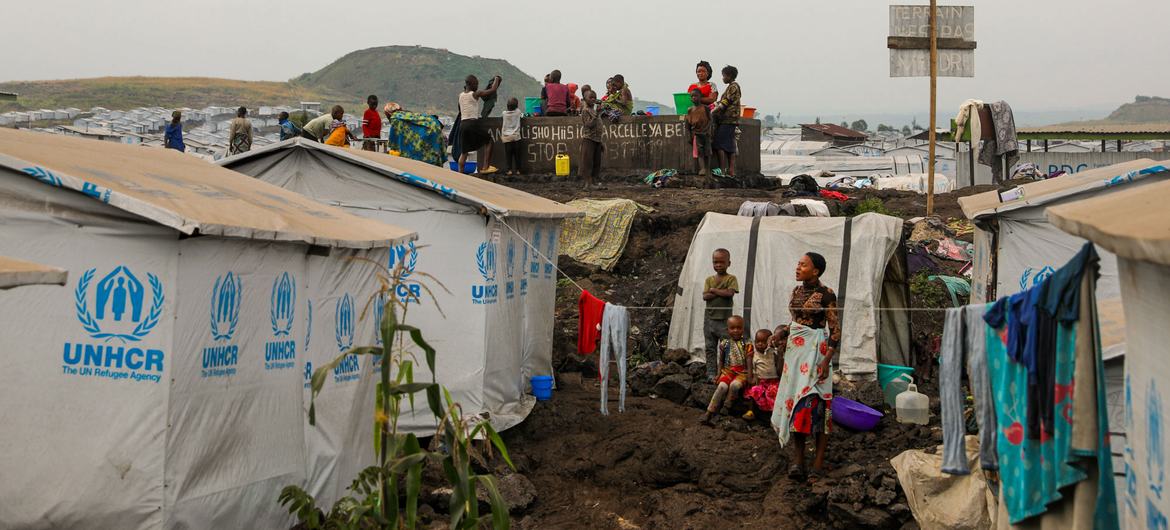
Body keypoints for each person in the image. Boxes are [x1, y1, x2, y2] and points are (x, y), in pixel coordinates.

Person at [770, 252, 840, 482]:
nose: (798, 267)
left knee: (817, 406)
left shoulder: (827, 294)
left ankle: (818, 465)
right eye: (798, 263)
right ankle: (799, 461)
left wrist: (826, 360)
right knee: (795, 404)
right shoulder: (797, 292)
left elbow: (835, 331)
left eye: (803, 265)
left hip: (816, 355)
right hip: (796, 355)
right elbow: (796, 323)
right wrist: (781, 332)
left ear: (816, 271)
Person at [699, 315, 750, 425]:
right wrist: (718, 374)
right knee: (722, 386)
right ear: (728, 330)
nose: (736, 330)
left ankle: (727, 404)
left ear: (743, 329)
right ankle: (709, 411)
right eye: (732, 328)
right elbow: (721, 360)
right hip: (728, 371)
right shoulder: (724, 344)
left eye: (739, 328)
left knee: (735, 385)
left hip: (742, 373)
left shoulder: (747, 344)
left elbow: (749, 362)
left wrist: (750, 376)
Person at [702, 248, 739, 381]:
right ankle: (711, 374)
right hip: (709, 318)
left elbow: (730, 293)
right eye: (715, 262)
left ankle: (726, 373)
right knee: (710, 347)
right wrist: (719, 291)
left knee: (726, 348)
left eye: (721, 262)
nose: (718, 265)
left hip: (725, 321)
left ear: (729, 263)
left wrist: (714, 291)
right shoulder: (709, 280)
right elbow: (705, 296)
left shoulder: (731, 278)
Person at [457, 74, 501, 175]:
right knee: (489, 140)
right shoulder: (475, 93)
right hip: (472, 123)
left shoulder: (460, 95)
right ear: (471, 84)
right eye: (476, 84)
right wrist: (497, 79)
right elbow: (493, 90)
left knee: (464, 152)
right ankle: (485, 167)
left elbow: (460, 110)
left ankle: (460, 173)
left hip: (463, 124)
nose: (477, 86)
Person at [711, 65, 742, 178]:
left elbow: (725, 101)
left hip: (728, 119)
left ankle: (722, 169)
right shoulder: (731, 87)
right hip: (731, 120)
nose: (723, 78)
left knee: (719, 144)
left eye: (724, 76)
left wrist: (713, 111)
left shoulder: (733, 87)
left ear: (729, 76)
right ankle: (731, 171)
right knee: (730, 145)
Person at [743, 328, 779, 421]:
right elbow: (752, 369)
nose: (760, 344)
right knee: (754, 391)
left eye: (763, 342)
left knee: (774, 392)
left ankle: (774, 416)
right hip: (760, 381)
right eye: (758, 341)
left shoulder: (773, 353)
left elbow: (778, 366)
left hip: (773, 381)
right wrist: (752, 378)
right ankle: (750, 411)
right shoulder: (754, 355)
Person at [579, 89, 603, 190]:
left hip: (597, 140)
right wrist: (597, 114)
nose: (593, 99)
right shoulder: (585, 110)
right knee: (588, 163)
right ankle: (588, 184)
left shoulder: (593, 110)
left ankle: (593, 182)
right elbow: (589, 125)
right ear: (585, 99)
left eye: (594, 97)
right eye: (590, 97)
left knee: (596, 162)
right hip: (589, 139)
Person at [684, 89, 711, 177]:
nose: (694, 98)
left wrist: (710, 132)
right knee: (700, 152)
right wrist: (689, 136)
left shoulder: (706, 108)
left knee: (707, 151)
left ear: (700, 97)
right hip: (696, 134)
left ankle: (708, 169)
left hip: (706, 133)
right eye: (692, 96)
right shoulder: (690, 110)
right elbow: (687, 125)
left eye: (696, 96)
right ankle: (702, 168)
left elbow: (711, 121)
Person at [501, 98, 523, 176]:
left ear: (507, 106)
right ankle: (518, 170)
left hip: (507, 138)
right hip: (516, 137)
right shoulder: (518, 112)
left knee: (508, 156)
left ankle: (509, 170)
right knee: (517, 156)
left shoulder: (504, 113)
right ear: (516, 106)